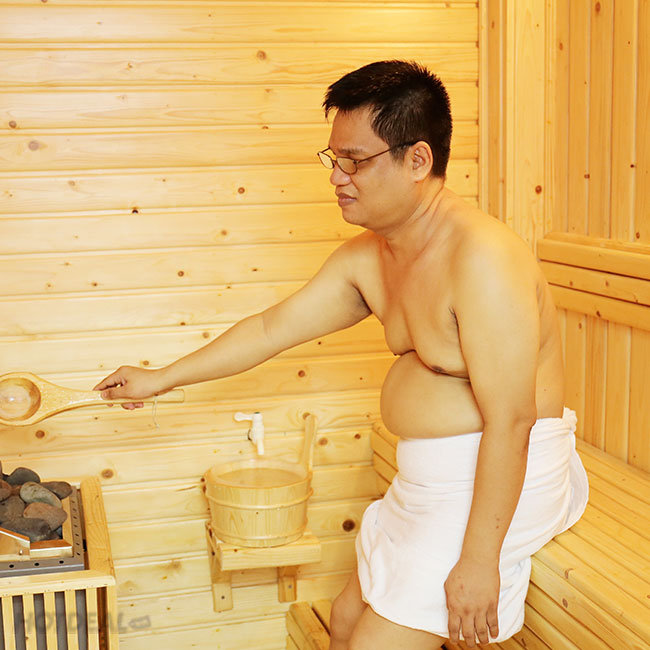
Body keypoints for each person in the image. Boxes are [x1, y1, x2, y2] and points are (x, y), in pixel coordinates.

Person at [95, 60, 588, 649]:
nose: (337, 176)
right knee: (345, 619)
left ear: (418, 160)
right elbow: (270, 329)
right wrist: (161, 378)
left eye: (355, 160)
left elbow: (512, 420)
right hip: (427, 481)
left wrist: (480, 561)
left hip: (507, 476)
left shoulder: (483, 259)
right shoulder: (370, 258)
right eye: (335, 158)